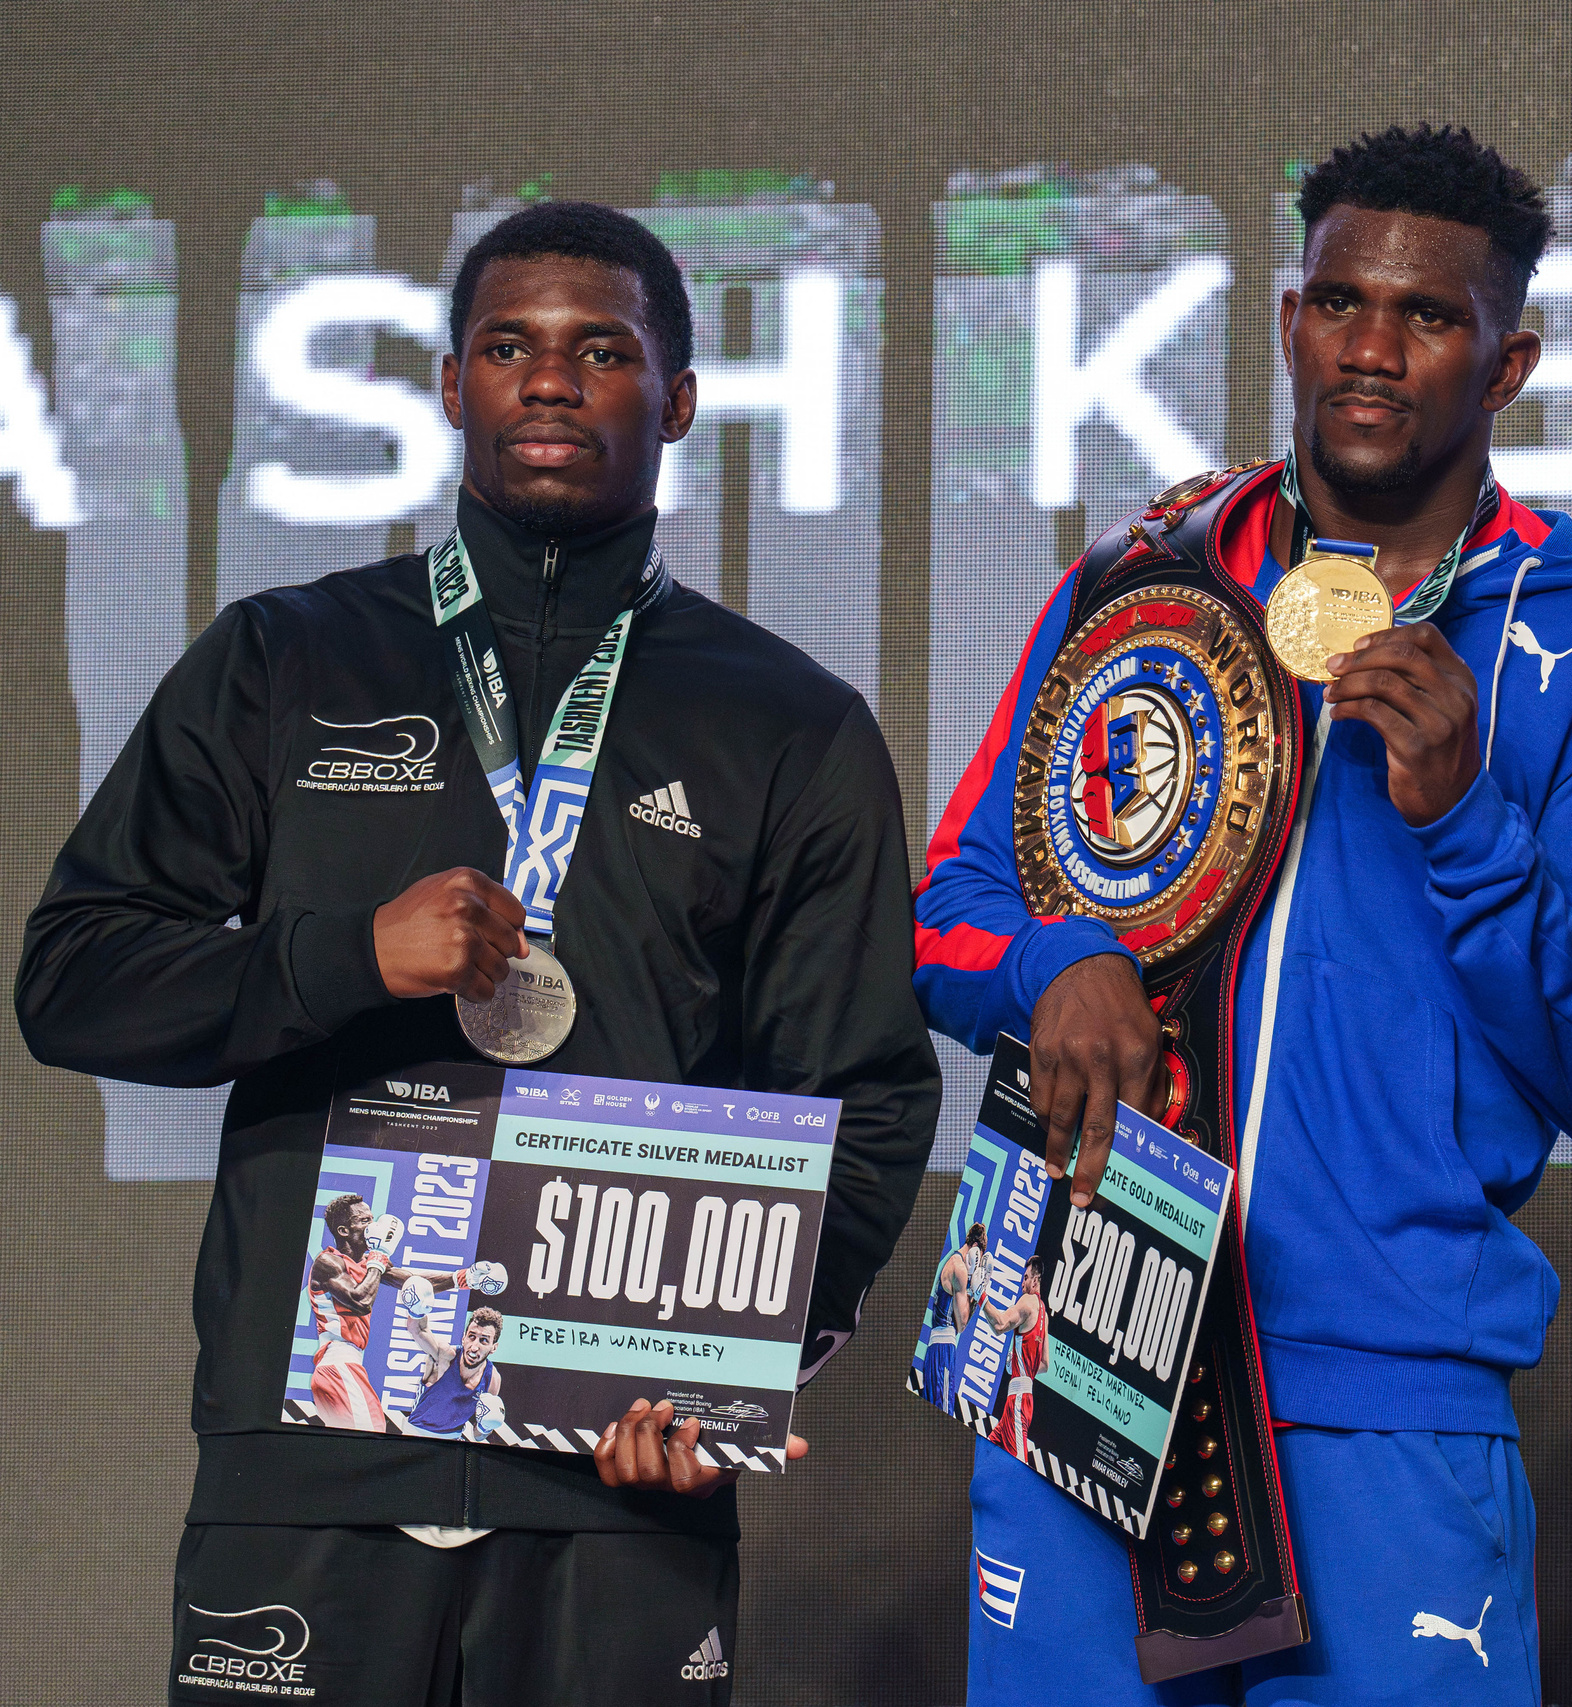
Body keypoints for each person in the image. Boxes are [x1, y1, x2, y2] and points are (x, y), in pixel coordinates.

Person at [17, 200, 940, 1706]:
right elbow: (74, 975)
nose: (552, 381)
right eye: (509, 346)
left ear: (683, 400)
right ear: (452, 386)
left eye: (604, 350)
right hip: (315, 1449)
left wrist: (730, 1373)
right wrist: (336, 957)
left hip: (617, 1471)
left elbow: (866, 1090)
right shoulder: (285, 659)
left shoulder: (789, 722)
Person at [916, 124, 1572, 1702]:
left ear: (1507, 360)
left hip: (1385, 1394)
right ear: (1290, 321)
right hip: (1081, 1336)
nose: (1372, 349)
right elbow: (951, 904)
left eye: (1427, 317)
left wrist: (1469, 820)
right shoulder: (1141, 583)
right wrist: (1060, 956)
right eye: (1342, 303)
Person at [304, 1195, 501, 1431]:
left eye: (373, 1218)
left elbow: (411, 1280)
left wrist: (464, 1278)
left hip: (343, 1366)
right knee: (372, 1438)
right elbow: (360, 1300)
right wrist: (379, 1255)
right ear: (344, 1230)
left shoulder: (369, 1263)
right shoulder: (328, 1262)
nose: (373, 1226)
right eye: (364, 1220)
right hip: (338, 1365)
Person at [398, 1301, 506, 1444]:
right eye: (471, 1336)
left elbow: (477, 1436)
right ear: (464, 1337)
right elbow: (417, 1329)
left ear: (493, 1347)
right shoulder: (444, 1356)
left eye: (483, 1340)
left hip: (452, 1443)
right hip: (415, 1436)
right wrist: (417, 1306)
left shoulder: (492, 1379)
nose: (474, 1347)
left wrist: (485, 1427)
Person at [980, 1258, 1050, 1461]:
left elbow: (1000, 1325)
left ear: (1036, 1280)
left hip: (1018, 1402)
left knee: (1020, 1469)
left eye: (1026, 1278)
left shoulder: (1027, 1301)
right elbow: (1044, 1364)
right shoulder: (1043, 1312)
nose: (1022, 1283)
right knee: (988, 1455)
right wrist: (1021, 1363)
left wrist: (981, 1297)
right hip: (1021, 1399)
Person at [924, 1223, 994, 1416]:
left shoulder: (952, 1260)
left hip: (936, 1346)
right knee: (943, 1411)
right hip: (944, 1347)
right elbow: (962, 1324)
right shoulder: (961, 1269)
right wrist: (975, 1293)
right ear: (975, 1249)